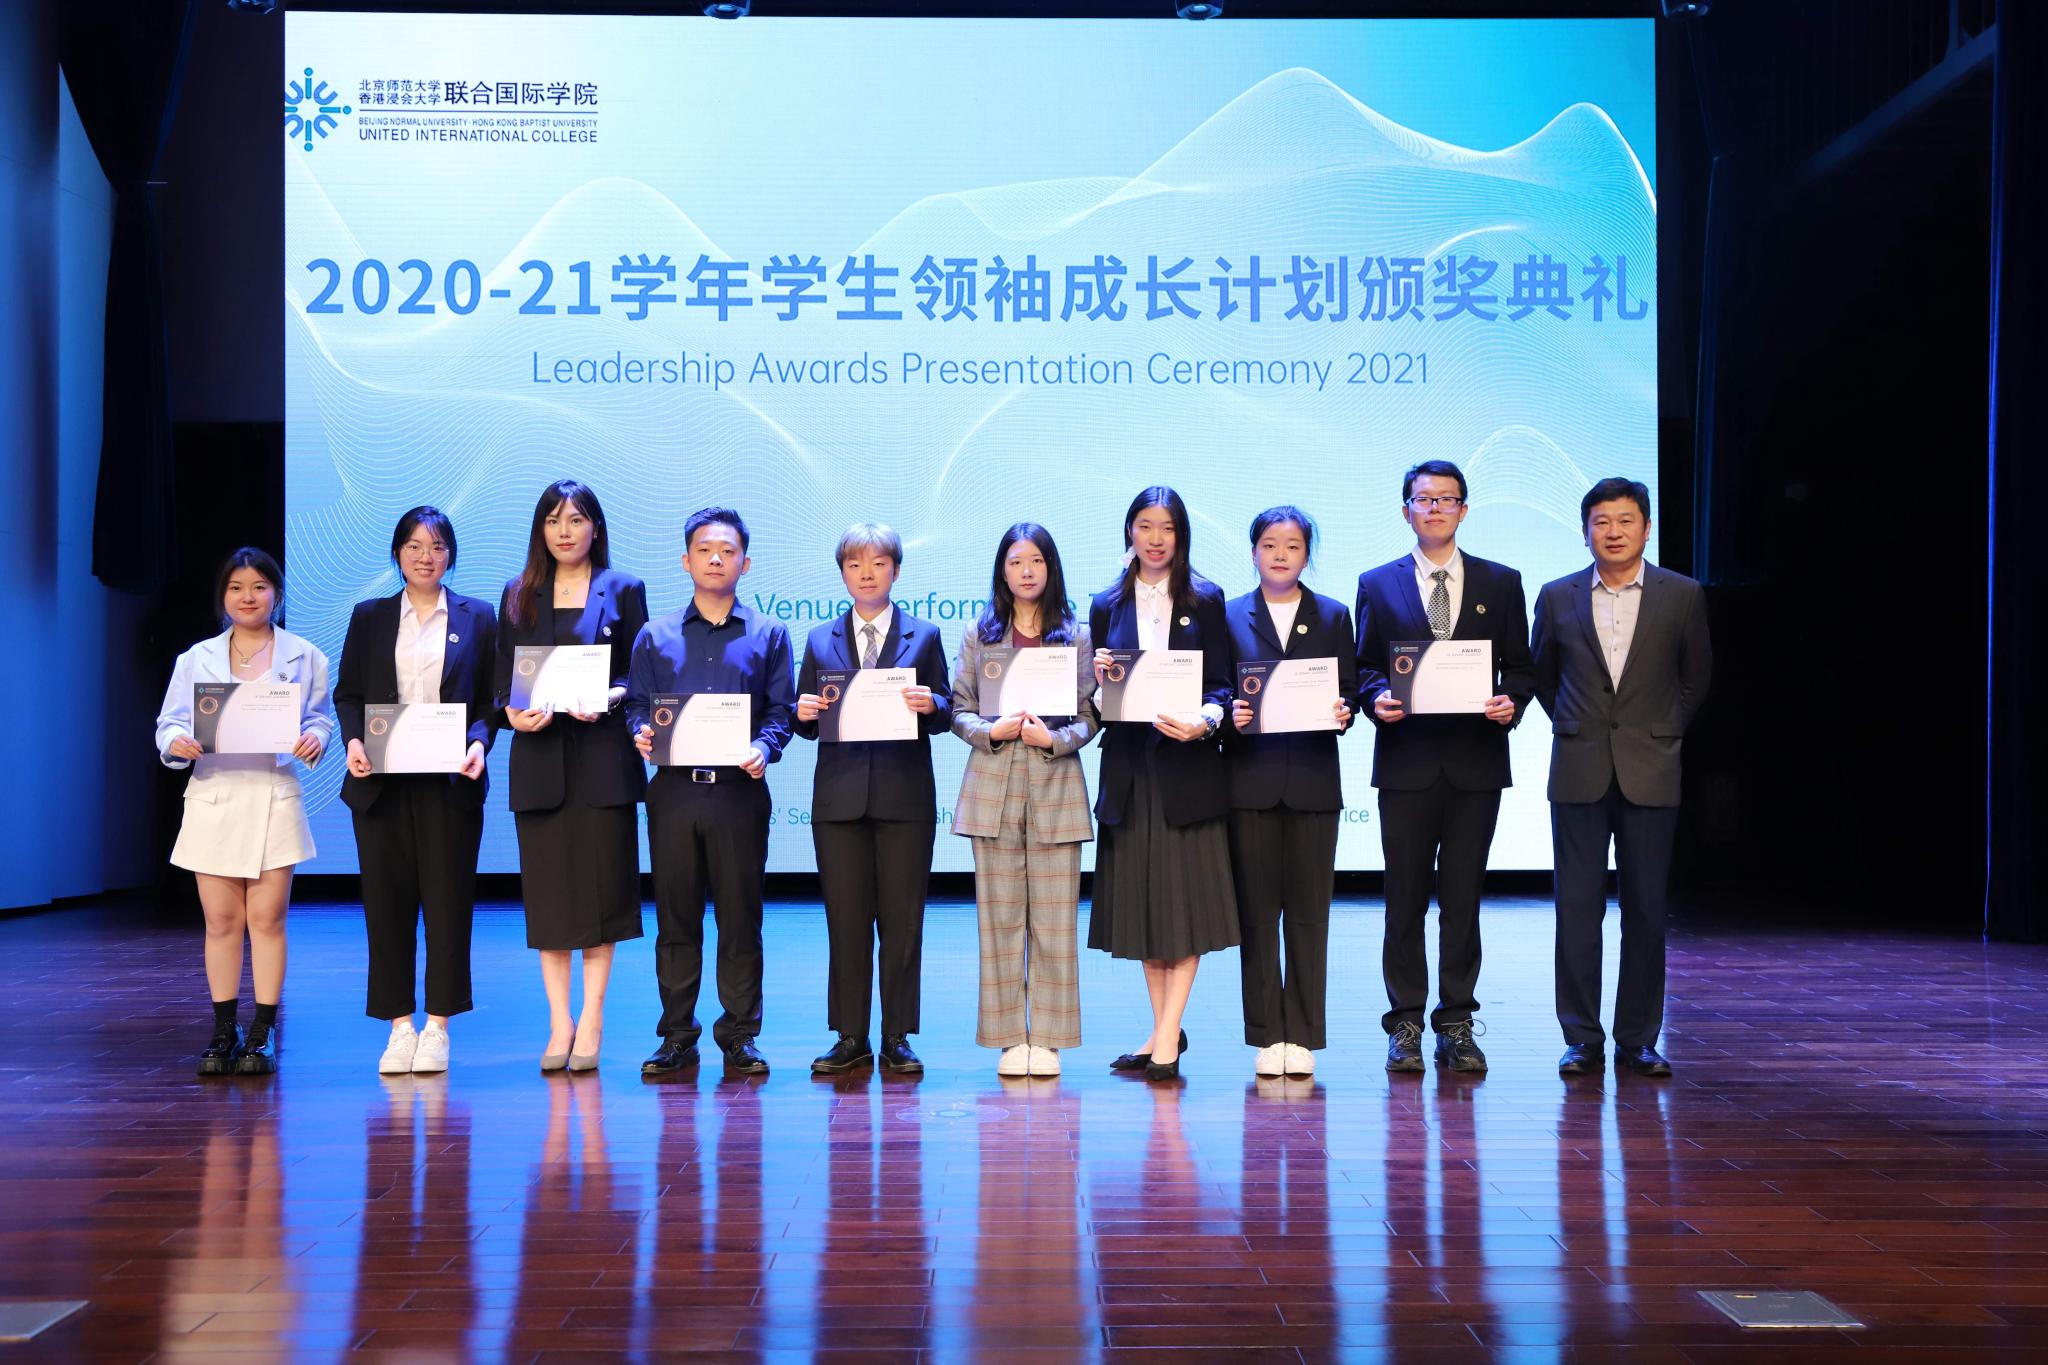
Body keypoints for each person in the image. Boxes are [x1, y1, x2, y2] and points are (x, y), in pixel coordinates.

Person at [1354, 460, 1535, 1075]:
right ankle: (1404, 1023)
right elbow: (1365, 666)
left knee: (1463, 900)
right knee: (1402, 899)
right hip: (1406, 763)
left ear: (1464, 508)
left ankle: (1456, 1021)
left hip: (1475, 765)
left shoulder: (1501, 582)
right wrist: (1375, 698)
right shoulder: (1377, 583)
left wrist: (1512, 702)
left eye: (1446, 499)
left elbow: (1521, 667)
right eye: (1423, 499)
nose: (1434, 508)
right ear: (1405, 509)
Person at [1531, 476, 1712, 1077]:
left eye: (1626, 520)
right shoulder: (1556, 596)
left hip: (1651, 770)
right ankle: (1581, 1037)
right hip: (1578, 768)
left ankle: (1638, 1038)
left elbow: (1695, 679)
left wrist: (1662, 731)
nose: (1614, 532)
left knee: (1646, 910)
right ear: (1585, 531)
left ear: (1647, 528)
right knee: (1576, 910)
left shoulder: (1681, 594)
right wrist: (1575, 724)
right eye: (1602, 521)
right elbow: (1543, 677)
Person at [155, 547, 334, 1076]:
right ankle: (223, 1029)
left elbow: (319, 718)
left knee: (267, 919)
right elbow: (169, 723)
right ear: (223, 596)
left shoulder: (305, 655)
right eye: (236, 587)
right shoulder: (196, 658)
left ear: (276, 593)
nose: (248, 597)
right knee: (221, 921)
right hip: (215, 795)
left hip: (273, 794)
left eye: (259, 586)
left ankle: (263, 1031)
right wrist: (177, 742)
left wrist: (314, 738)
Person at [629, 507, 795, 1079]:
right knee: (676, 919)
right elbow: (636, 705)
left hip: (738, 793)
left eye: (727, 551)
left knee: (740, 918)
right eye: (704, 550)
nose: (716, 559)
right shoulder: (654, 635)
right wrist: (640, 731)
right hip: (674, 792)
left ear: (745, 563)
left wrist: (765, 748)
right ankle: (677, 1036)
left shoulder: (770, 634)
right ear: (686, 561)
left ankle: (740, 1035)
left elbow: (780, 713)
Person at [335, 507, 498, 1075]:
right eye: (413, 546)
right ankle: (399, 1027)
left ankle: (438, 1028)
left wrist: (479, 743)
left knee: (449, 905)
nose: (425, 556)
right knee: (386, 907)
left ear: (450, 554)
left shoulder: (478, 616)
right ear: (397, 553)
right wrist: (354, 741)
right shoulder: (371, 616)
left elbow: (490, 701)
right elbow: (349, 693)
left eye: (436, 546)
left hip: (451, 782)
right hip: (381, 783)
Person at [493, 480, 648, 1073]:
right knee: (550, 898)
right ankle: (559, 1021)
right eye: (554, 519)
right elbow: (502, 681)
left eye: (576, 519)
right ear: (541, 529)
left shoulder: (623, 588)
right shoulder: (518, 592)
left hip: (602, 759)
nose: (565, 530)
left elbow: (638, 675)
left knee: (604, 894)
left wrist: (607, 697)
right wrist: (510, 712)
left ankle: (594, 1016)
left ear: (595, 527)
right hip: (540, 762)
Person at [1087, 486, 1240, 1082]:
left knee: (1185, 909)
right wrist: (1099, 678)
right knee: (1145, 911)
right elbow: (1097, 698)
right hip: (1130, 770)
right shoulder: (1105, 603)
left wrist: (1206, 720)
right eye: (1145, 526)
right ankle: (1164, 1032)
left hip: (1187, 767)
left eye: (1167, 527)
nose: (1156, 539)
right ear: (1130, 531)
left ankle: (1167, 1041)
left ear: (1182, 536)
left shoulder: (1205, 599)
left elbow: (1222, 684)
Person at [793, 523, 953, 1077]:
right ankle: (850, 1035)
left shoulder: (924, 635)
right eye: (855, 564)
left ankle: (897, 1036)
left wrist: (932, 703)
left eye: (879, 563)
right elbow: (806, 722)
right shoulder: (819, 639)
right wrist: (801, 712)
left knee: (903, 923)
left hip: (904, 799)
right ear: (842, 573)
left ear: (896, 571)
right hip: (839, 802)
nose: (867, 574)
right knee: (846, 921)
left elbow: (946, 711)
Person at [950, 523, 1100, 1077]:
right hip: (993, 785)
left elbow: (1090, 715)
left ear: (1050, 567)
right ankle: (1009, 1037)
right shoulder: (980, 632)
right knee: (1000, 922)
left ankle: (1051, 1040)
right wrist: (991, 730)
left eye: (1036, 560)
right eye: (1015, 562)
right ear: (1002, 571)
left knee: (1056, 923)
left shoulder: (1075, 635)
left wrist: (1054, 739)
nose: (1026, 571)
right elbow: (958, 708)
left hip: (1055, 784)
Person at [1223, 506, 1357, 1079]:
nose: (1281, 555)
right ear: (1254, 551)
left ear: (1307, 555)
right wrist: (1229, 712)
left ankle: (1301, 1035)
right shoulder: (1228, 614)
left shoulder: (1333, 615)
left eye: (1294, 545)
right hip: (1248, 783)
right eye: (1271, 545)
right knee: (1256, 917)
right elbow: (1217, 689)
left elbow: (1349, 689)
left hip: (1312, 782)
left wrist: (1344, 711)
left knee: (1308, 916)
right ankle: (1265, 1034)